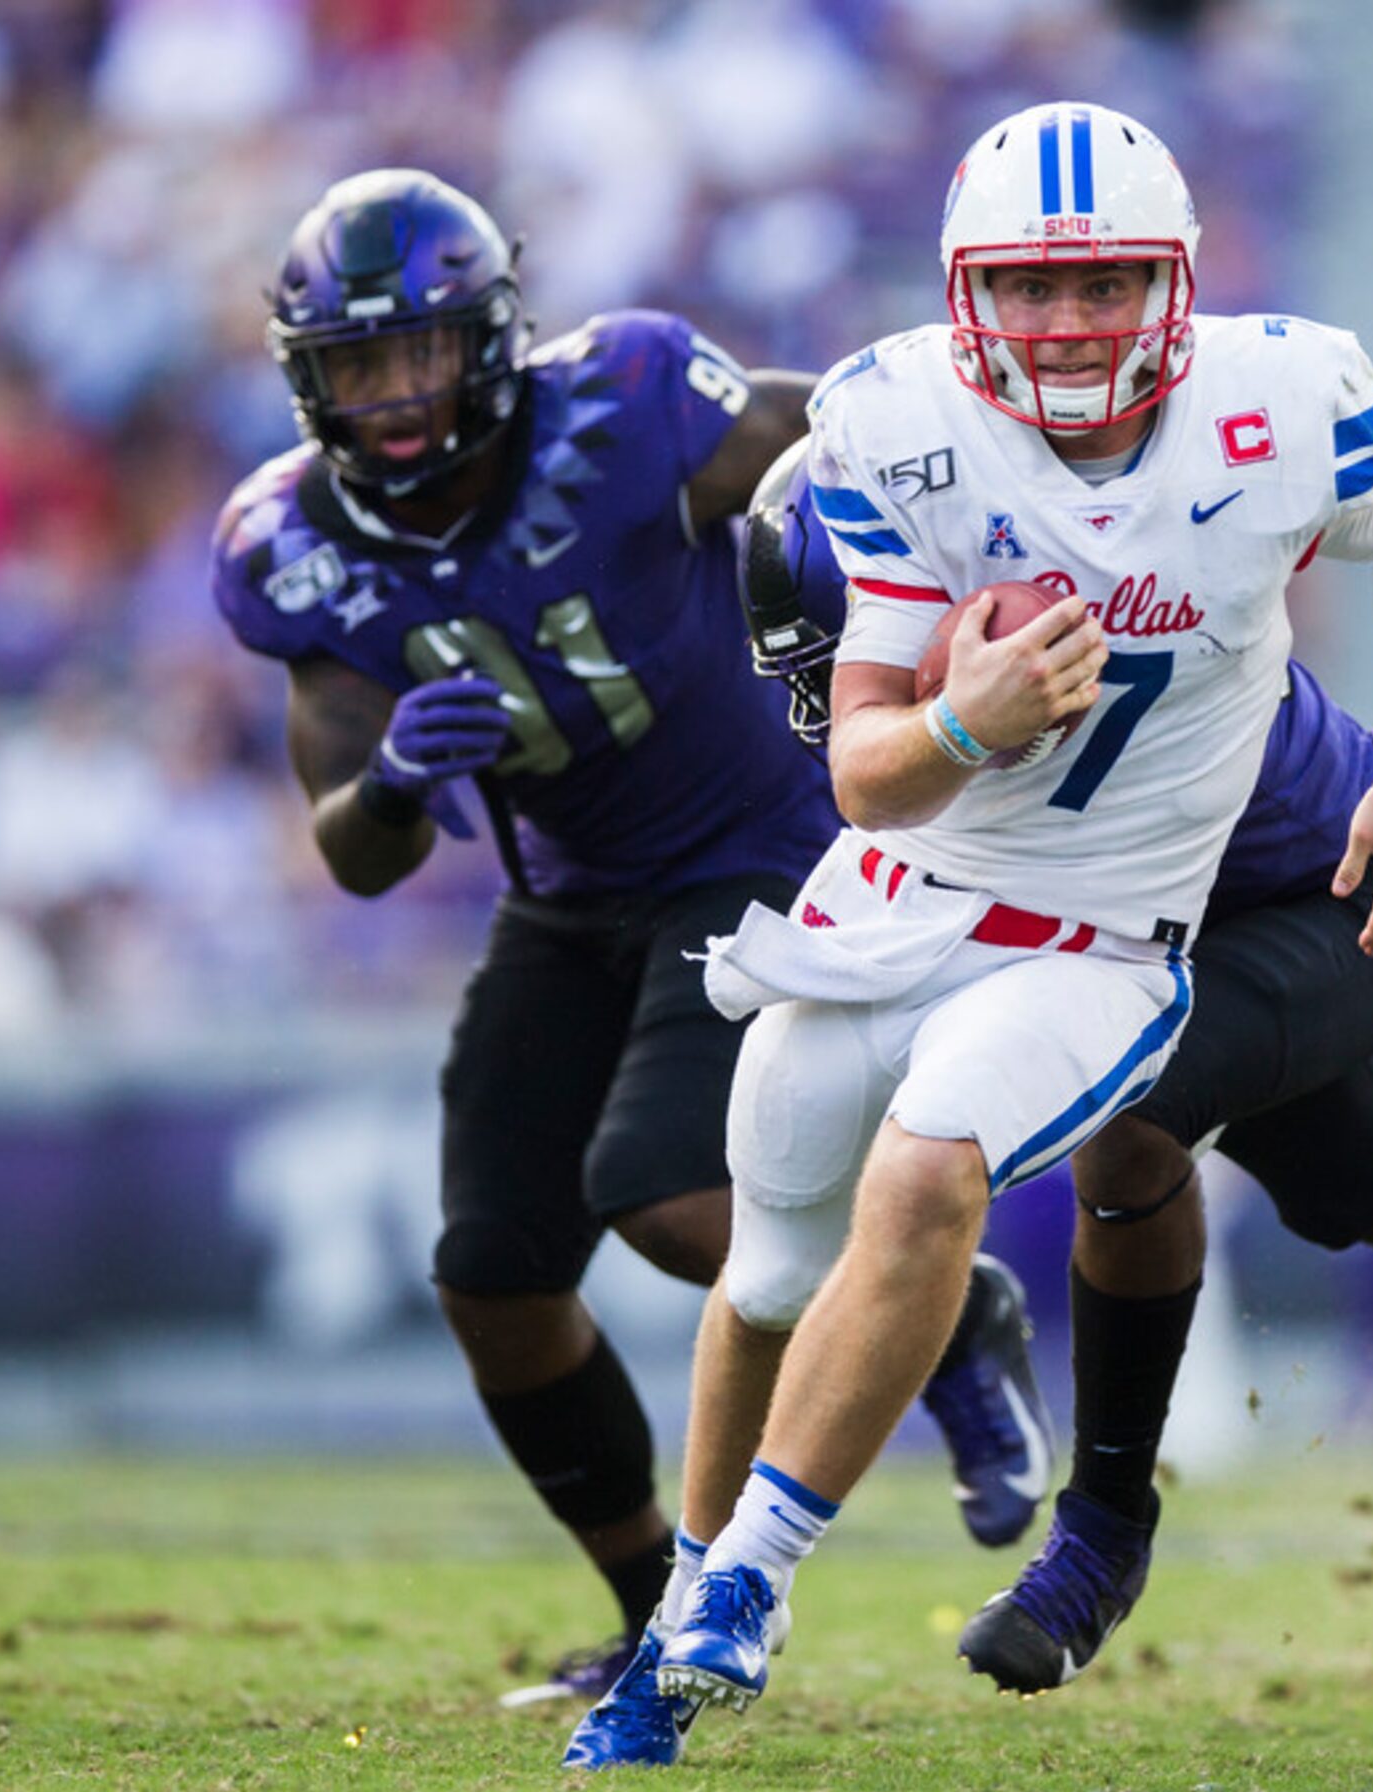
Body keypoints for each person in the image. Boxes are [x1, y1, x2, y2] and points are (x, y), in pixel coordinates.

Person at [567, 98, 1373, 1763]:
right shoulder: (894, 424)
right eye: (1030, 289)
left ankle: (753, 1581)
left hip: (1099, 938)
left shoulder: (1280, 400)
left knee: (928, 1168)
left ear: (1178, 284)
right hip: (904, 900)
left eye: (1110, 284)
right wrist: (969, 722)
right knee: (765, 1262)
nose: (1069, 324)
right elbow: (863, 773)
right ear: (961, 291)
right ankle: (678, 1619)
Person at [208, 169, 1054, 1705]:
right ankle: (653, 1607)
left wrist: (888, 611)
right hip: (569, 892)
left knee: (665, 1188)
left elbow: (852, 441)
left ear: (490, 341)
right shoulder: (290, 543)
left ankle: (942, 1314)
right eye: (356, 366)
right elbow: (353, 845)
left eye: (418, 355)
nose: (393, 400)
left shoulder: (627, 404)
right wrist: (395, 780)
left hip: (757, 848)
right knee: (492, 1267)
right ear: (306, 378)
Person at [727, 447, 1373, 1698]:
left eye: (870, 649)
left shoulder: (1053, 632)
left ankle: (1101, 1532)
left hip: (1330, 897)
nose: (853, 693)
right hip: (1184, 917)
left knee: (1131, 1114)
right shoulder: (972, 613)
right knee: (1361, 1185)